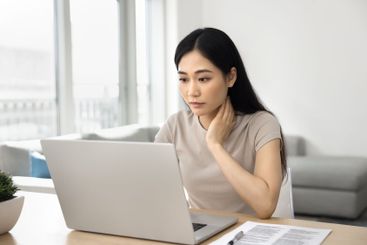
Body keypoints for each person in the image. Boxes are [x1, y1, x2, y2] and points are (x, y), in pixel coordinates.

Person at [154, 27, 287, 219]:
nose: (192, 91)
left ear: (230, 77)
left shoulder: (262, 124)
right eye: (183, 79)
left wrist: (215, 145)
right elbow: (151, 187)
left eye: (203, 78)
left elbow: (265, 206)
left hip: (248, 234)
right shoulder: (175, 126)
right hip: (199, 233)